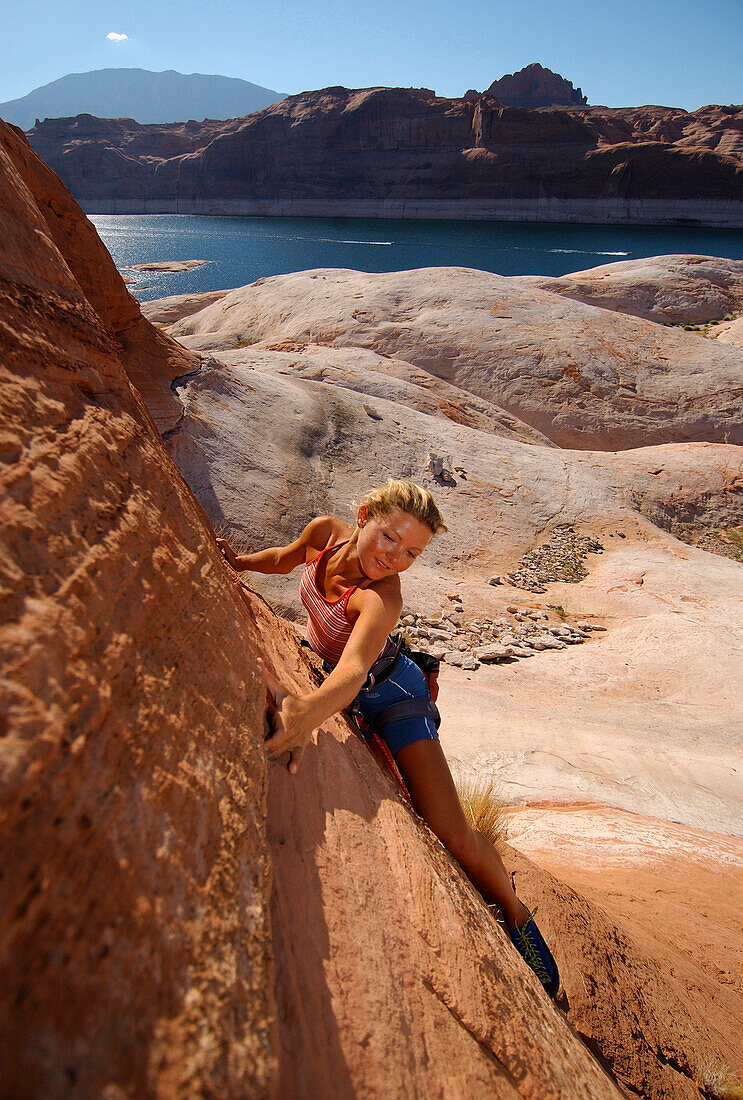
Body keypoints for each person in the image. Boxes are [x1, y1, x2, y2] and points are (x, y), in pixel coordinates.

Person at [217, 479, 559, 997]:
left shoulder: (382, 598)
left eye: (412, 553)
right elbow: (282, 559)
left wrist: (305, 714)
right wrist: (237, 562)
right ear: (362, 516)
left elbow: (353, 669)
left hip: (395, 694)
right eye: (389, 538)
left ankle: (517, 916)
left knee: (451, 831)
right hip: (357, 682)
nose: (394, 557)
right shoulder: (324, 535)